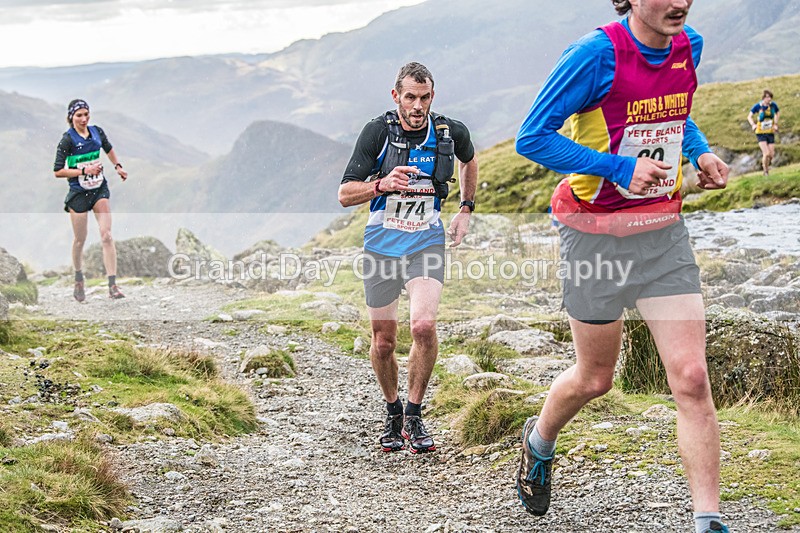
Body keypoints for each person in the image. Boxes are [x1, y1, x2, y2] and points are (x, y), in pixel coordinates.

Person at [514, 1, 730, 532]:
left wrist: (698, 152)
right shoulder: (594, 55)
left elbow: (675, 113)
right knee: (595, 378)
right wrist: (618, 167)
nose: (679, 3)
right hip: (593, 239)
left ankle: (708, 520)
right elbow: (532, 136)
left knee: (692, 376)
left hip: (661, 236)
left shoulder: (688, 45)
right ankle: (539, 439)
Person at [338, 62, 478, 454]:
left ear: (433, 96)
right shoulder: (377, 132)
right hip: (382, 244)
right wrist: (381, 184)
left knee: (423, 326)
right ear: (396, 95)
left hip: (425, 242)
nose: (418, 106)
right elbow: (345, 194)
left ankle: (414, 414)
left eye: (426, 97)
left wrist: (466, 208)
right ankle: (392, 411)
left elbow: (469, 160)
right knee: (383, 342)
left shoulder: (450, 132)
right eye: (411, 97)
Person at [53, 99, 128, 301]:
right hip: (78, 193)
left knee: (106, 236)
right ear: (71, 117)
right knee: (80, 240)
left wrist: (117, 166)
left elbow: (108, 148)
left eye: (86, 114)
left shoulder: (97, 132)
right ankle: (78, 278)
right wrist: (84, 170)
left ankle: (113, 285)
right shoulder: (67, 140)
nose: (84, 118)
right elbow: (58, 171)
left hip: (98, 190)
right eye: (79, 115)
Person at [747, 90, 780, 175]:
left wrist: (775, 124)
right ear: (763, 98)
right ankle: (765, 171)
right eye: (767, 97)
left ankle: (766, 166)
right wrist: (753, 125)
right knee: (766, 153)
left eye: (770, 97)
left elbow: (777, 113)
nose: (769, 99)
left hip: (770, 132)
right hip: (760, 132)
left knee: (771, 155)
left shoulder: (773, 105)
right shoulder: (758, 106)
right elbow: (749, 116)